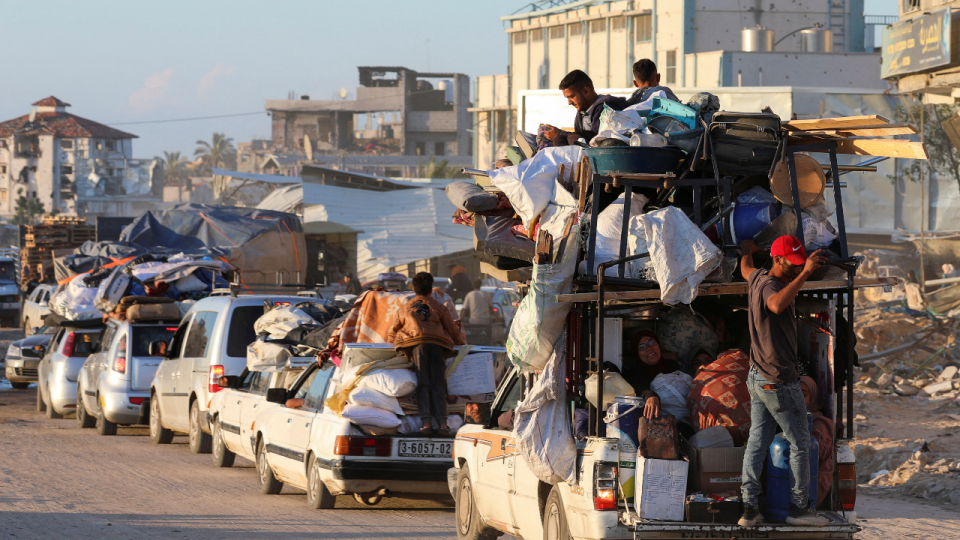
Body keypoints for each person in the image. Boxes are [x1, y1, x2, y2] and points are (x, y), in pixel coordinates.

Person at [738, 236, 828, 527]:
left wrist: (746, 250)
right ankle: (800, 508)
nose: (797, 268)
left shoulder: (757, 277)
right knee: (801, 442)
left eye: (800, 264)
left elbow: (745, 267)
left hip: (757, 376)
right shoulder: (771, 286)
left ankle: (750, 509)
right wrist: (805, 275)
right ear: (778, 260)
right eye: (793, 264)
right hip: (778, 380)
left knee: (757, 442)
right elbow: (776, 305)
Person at [388, 272, 466, 436]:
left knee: (423, 383)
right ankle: (443, 424)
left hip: (417, 347)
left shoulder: (404, 308)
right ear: (431, 290)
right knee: (438, 384)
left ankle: (426, 423)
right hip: (438, 347)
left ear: (414, 289)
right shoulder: (439, 307)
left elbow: (392, 333)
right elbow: (453, 332)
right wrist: (461, 343)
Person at [541, 69, 628, 146]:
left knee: (566, 139)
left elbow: (597, 139)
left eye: (571, 97)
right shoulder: (582, 112)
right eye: (567, 98)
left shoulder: (605, 108)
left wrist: (559, 133)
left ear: (586, 91)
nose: (569, 102)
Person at [620, 330, 672, 420]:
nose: (649, 348)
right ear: (637, 353)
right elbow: (640, 385)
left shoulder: (673, 366)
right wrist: (650, 396)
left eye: (652, 342)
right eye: (642, 347)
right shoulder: (635, 372)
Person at [800, 375, 835, 509]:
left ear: (812, 397)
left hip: (813, 487)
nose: (797, 400)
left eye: (803, 395)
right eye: (793, 394)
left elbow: (815, 452)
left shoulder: (820, 423)